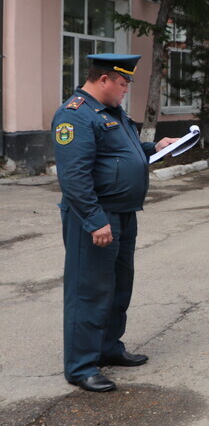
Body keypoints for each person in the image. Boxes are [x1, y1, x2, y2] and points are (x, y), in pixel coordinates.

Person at [52, 54, 177, 392]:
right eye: (122, 84)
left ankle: (108, 348)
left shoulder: (112, 112)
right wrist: (95, 220)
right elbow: (74, 177)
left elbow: (124, 152)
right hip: (95, 217)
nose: (125, 91)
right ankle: (80, 366)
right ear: (104, 79)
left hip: (123, 212)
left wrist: (155, 148)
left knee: (119, 286)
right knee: (89, 290)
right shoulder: (75, 115)